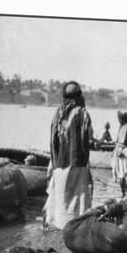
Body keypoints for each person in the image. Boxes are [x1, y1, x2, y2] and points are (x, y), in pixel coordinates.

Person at [44, 81, 94, 230]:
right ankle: (75, 225)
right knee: (77, 198)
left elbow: (53, 140)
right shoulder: (82, 113)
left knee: (62, 197)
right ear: (79, 96)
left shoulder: (58, 114)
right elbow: (89, 137)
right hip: (77, 164)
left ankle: (60, 224)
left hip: (59, 162)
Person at [112, 111, 127, 197]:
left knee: (125, 174)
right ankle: (123, 193)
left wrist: (125, 151)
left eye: (120, 119)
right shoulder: (121, 126)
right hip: (118, 153)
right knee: (120, 176)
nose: (119, 120)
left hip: (124, 154)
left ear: (123, 118)